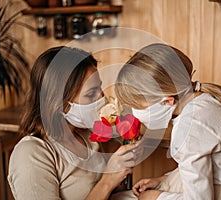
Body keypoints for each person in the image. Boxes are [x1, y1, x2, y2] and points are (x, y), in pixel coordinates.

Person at [114, 43, 221, 200]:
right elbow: (211, 166)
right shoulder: (204, 100)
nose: (136, 112)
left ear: (167, 101)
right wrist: (163, 180)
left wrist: (155, 197)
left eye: (138, 106)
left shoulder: (189, 129)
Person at [8, 46, 139, 200]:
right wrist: (107, 182)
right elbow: (103, 187)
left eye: (100, 88)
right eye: (91, 94)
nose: (101, 98)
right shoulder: (31, 153)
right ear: (58, 102)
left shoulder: (87, 136)